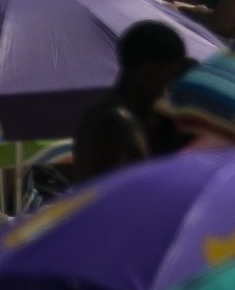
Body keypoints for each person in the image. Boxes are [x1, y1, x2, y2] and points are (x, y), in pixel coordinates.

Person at [72, 20, 194, 181]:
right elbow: (122, 190)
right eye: (167, 78)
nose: (167, 89)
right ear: (146, 73)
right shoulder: (118, 122)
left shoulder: (101, 110)